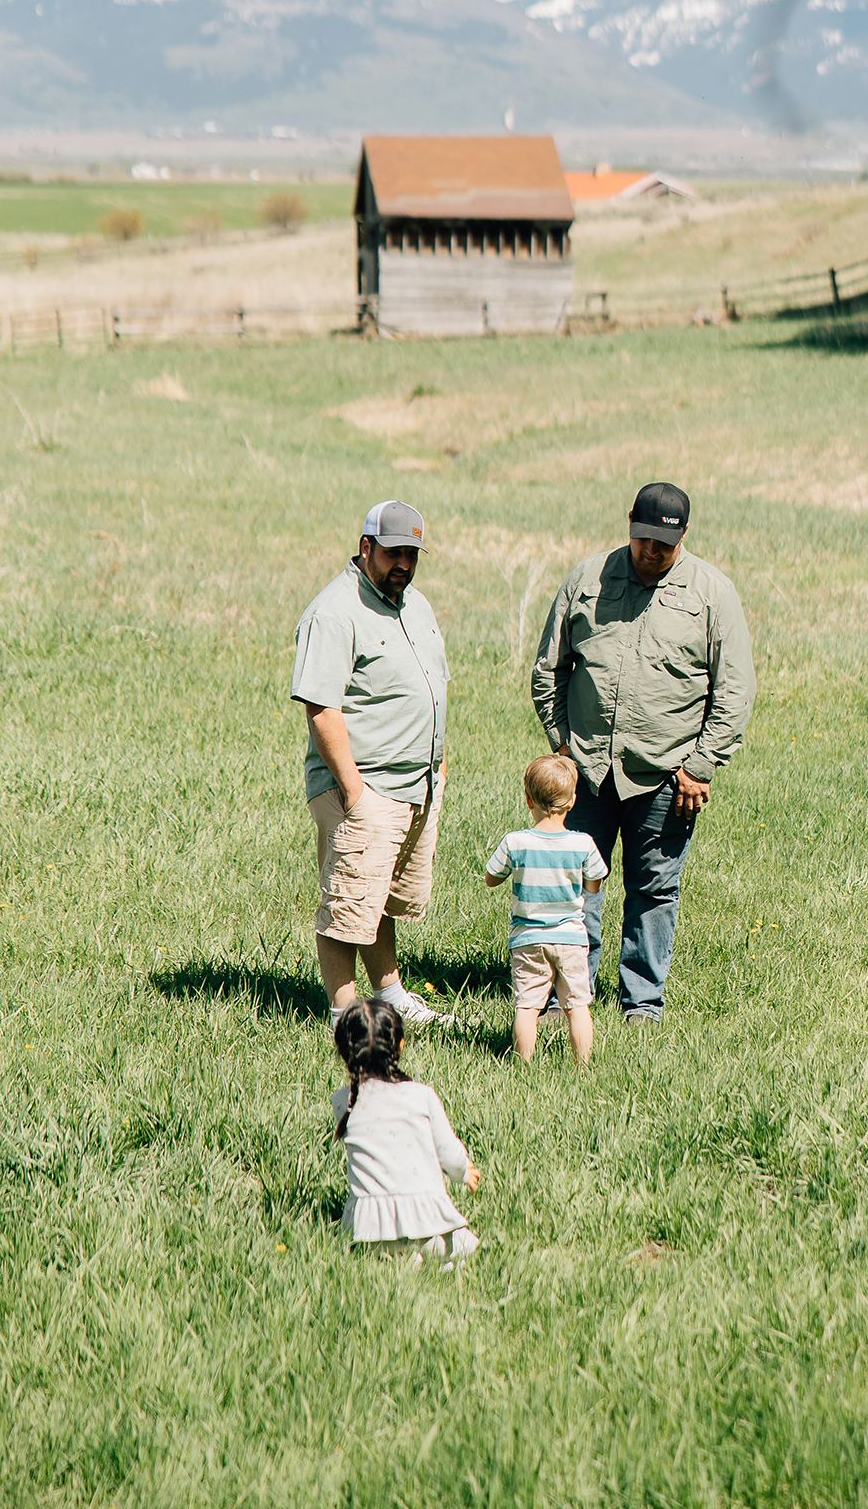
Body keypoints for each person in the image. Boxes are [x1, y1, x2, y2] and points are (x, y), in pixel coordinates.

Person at [531, 480, 756, 1025]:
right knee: (574, 886)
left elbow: (735, 689)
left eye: (665, 544)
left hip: (667, 774)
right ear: (629, 522)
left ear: (683, 537)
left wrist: (700, 766)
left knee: (654, 888)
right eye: (643, 539)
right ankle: (568, 997)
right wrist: (562, 744)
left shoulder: (712, 593)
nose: (651, 551)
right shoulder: (587, 580)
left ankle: (642, 1004)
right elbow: (548, 670)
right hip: (585, 770)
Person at [292, 500, 451, 1028]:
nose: (403, 563)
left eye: (412, 553)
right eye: (393, 552)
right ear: (366, 548)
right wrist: (354, 792)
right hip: (363, 784)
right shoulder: (334, 612)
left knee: (379, 896)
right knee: (347, 901)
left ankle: (390, 995)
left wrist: (440, 766)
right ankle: (343, 1012)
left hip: (416, 784)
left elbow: (434, 689)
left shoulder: (416, 605)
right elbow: (322, 706)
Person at [332, 997, 480, 1269]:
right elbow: (447, 1150)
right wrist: (464, 1172)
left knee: (383, 1254)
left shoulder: (344, 1101)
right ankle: (438, 1262)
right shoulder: (421, 1095)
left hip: (368, 1231)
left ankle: (399, 1259)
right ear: (400, 1044)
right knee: (469, 1246)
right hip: (428, 1223)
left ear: (343, 1051)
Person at [484, 752, 609, 1064]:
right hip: (572, 938)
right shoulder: (583, 843)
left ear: (529, 800)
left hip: (528, 939)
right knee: (577, 1005)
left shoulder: (515, 842)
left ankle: (522, 1065)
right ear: (572, 802)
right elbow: (594, 884)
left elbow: (490, 878)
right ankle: (583, 1066)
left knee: (527, 1006)